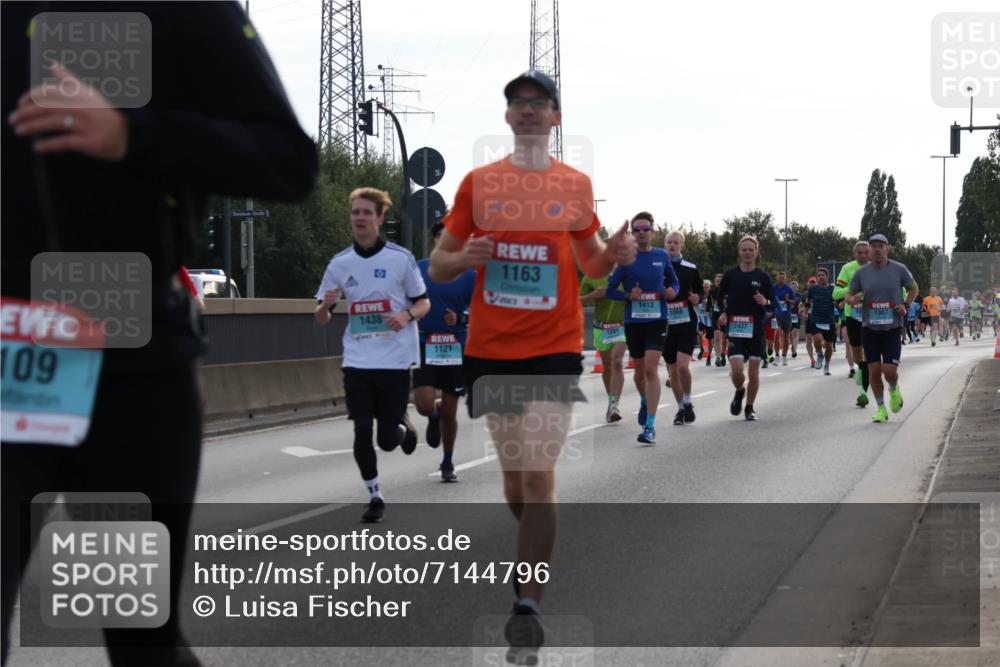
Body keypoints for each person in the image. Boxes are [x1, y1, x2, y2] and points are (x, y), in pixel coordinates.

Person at [1, 4, 318, 665]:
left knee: (138, 632)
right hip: (9, 353)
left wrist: (132, 135)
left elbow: (287, 161)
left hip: (128, 362)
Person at [428, 69, 637, 663]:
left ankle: (528, 602)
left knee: (541, 474)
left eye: (537, 103)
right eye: (517, 103)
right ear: (507, 117)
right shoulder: (479, 184)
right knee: (517, 482)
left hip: (553, 346)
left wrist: (615, 254)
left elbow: (591, 264)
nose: (526, 111)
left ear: (555, 118)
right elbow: (438, 265)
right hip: (491, 350)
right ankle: (531, 548)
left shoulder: (574, 186)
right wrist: (464, 254)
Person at [315, 188, 428, 522]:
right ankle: (375, 495)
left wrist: (407, 316)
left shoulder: (399, 258)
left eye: (366, 212)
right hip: (358, 360)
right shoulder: (339, 264)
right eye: (355, 212)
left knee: (387, 439)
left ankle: (402, 425)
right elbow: (321, 317)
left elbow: (423, 301)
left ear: (380, 218)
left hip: (393, 358)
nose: (359, 218)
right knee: (362, 430)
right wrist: (325, 304)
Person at [606, 213, 680, 443]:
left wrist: (673, 292)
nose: (640, 233)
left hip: (657, 320)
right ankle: (645, 401)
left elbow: (674, 282)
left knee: (650, 370)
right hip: (634, 322)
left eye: (644, 229)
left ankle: (650, 426)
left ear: (652, 231)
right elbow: (610, 290)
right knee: (639, 375)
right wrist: (628, 294)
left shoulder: (661, 255)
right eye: (636, 230)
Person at [413, 222, 476, 482]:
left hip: (455, 348)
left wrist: (460, 319)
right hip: (425, 343)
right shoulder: (418, 269)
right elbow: (405, 297)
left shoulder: (470, 274)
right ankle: (433, 417)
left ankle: (447, 462)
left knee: (451, 412)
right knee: (424, 405)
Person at [847, 234, 917, 424]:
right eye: (873, 246)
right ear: (869, 250)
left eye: (881, 246)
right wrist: (852, 300)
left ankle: (894, 390)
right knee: (874, 370)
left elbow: (914, 288)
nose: (877, 249)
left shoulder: (899, 269)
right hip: (869, 329)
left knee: (889, 371)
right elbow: (849, 294)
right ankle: (880, 408)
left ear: (887, 249)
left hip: (892, 328)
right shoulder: (862, 273)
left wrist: (906, 305)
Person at [717, 236, 775, 421]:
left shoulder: (763, 277)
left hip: (756, 327)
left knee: (753, 371)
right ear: (739, 252)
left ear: (757, 252)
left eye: (751, 249)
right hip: (735, 326)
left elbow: (774, 305)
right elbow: (719, 298)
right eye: (744, 250)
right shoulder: (730, 275)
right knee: (736, 370)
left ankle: (749, 408)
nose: (748, 253)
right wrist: (723, 313)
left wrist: (765, 302)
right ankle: (739, 390)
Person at [663, 231, 702, 425]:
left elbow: (700, 292)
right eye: (669, 242)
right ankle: (680, 408)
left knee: (682, 366)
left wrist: (698, 298)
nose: (672, 245)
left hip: (686, 321)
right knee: (673, 371)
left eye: (676, 242)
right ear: (664, 244)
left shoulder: (690, 268)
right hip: (665, 323)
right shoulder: (657, 267)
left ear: (682, 246)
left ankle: (688, 401)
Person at [580, 263, 627, 423]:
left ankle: (614, 404)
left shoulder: (627, 274)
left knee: (617, 362)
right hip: (601, 328)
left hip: (622, 326)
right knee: (607, 367)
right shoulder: (593, 275)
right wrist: (592, 295)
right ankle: (611, 401)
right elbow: (575, 301)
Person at [832, 241, 872, 407]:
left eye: (865, 253)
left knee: (870, 354)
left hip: (871, 317)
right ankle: (861, 369)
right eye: (859, 253)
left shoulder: (876, 268)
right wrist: (854, 291)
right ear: (854, 254)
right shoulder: (847, 269)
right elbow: (836, 293)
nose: (863, 256)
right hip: (853, 317)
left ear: (869, 253)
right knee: (857, 356)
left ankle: (863, 392)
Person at [805, 268, 837, 375]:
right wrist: (805, 312)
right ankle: (819, 354)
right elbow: (808, 301)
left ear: (827, 277)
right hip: (816, 319)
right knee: (817, 339)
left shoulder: (833, 289)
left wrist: (837, 304)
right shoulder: (812, 289)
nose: (821, 277)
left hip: (829, 320)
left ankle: (827, 365)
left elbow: (838, 301)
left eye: (823, 275)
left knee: (829, 346)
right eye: (819, 275)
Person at [773, 271, 797, 365]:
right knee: (777, 334)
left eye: (783, 278)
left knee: (786, 337)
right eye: (779, 278)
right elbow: (769, 300)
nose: (781, 279)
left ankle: (784, 356)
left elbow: (794, 302)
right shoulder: (773, 288)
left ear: (785, 278)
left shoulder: (789, 289)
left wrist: (788, 300)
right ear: (777, 278)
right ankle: (777, 356)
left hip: (786, 315)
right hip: (776, 315)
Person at [708, 273, 728, 367]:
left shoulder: (728, 291)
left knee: (724, 338)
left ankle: (723, 353)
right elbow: (709, 305)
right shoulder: (712, 292)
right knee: (716, 337)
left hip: (725, 316)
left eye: (720, 281)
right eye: (717, 281)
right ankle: (718, 357)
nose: (718, 283)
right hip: (715, 316)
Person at [789, 280, 802, 359]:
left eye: (795, 287)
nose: (794, 289)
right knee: (790, 333)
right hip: (788, 316)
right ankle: (793, 345)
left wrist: (801, 310)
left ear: (797, 288)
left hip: (797, 316)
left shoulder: (800, 296)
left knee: (795, 332)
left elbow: (802, 305)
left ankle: (794, 350)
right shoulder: (787, 295)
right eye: (792, 287)